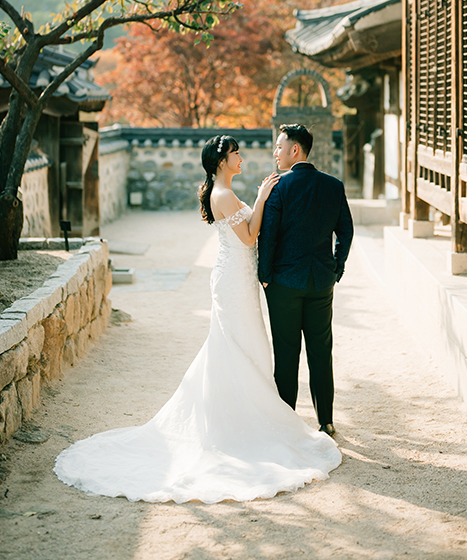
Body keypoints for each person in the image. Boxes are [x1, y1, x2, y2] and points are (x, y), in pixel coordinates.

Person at [55, 135, 341, 503]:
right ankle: (240, 422)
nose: (241, 157)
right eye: (236, 153)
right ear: (222, 160)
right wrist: (262, 197)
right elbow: (251, 237)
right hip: (233, 282)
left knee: (245, 347)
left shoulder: (223, 191)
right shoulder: (222, 195)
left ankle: (250, 414)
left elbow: (248, 231)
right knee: (239, 347)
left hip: (238, 278)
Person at [258, 124, 353, 437]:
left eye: (279, 146)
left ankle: (288, 424)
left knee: (286, 354)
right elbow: (346, 231)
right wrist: (335, 269)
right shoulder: (333, 185)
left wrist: (265, 277)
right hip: (321, 282)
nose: (276, 152)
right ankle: (326, 421)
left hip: (283, 283)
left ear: (294, 150)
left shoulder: (279, 188)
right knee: (320, 350)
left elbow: (268, 236)